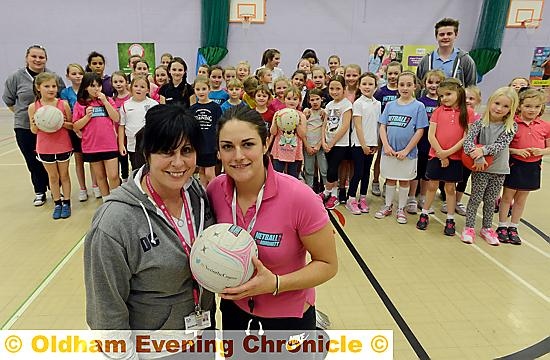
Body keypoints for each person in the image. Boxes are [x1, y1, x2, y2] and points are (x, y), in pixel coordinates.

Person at [84, 104, 216, 358]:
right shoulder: (114, 222)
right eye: (166, 151)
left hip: (202, 336)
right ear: (146, 153)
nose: (178, 163)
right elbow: (105, 309)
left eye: (187, 150)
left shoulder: (198, 196)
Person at [207, 105, 337, 332]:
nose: (238, 156)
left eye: (248, 144)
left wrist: (276, 284)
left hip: (288, 320)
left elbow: (327, 265)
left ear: (266, 143)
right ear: (218, 152)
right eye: (227, 147)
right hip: (234, 313)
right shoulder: (215, 190)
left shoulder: (299, 197)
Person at [3, 44, 66, 206]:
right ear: (27, 58)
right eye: (34, 56)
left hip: (52, 130)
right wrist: (26, 115)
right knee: (32, 160)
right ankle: (39, 191)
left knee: (52, 161)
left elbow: (61, 98)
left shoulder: (53, 77)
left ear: (46, 59)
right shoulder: (16, 77)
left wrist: (52, 119)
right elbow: (9, 100)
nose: (38, 60)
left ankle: (56, 191)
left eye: (41, 57)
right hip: (25, 127)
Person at [461, 87, 519, 245]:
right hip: (481, 169)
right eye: (497, 103)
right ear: (490, 102)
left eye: (505, 106)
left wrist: (481, 151)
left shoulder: (511, 126)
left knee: (491, 199)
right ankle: (469, 227)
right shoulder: (480, 122)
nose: (499, 108)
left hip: (499, 170)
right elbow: (467, 142)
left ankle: (487, 227)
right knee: (475, 198)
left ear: (511, 109)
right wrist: (477, 157)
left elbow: (499, 145)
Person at [416, 78, 473, 235]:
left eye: (448, 94)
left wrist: (448, 153)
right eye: (441, 96)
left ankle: (450, 218)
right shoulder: (438, 111)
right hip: (436, 156)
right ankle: (424, 213)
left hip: (455, 158)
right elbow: (431, 135)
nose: (444, 98)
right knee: (432, 186)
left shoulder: (467, 112)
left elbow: (465, 137)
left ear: (459, 93)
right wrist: (440, 153)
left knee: (449, 188)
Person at [375, 71, 429, 224]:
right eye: (402, 84)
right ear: (397, 86)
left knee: (404, 181)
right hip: (389, 152)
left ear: (415, 87)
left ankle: (401, 209)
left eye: (409, 85)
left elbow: (420, 130)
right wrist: (385, 145)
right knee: (390, 179)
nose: (405, 88)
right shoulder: (391, 105)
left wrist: (406, 150)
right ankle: (387, 205)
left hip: (408, 154)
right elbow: (382, 126)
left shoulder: (419, 106)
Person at [497, 88, 550, 245]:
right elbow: (503, 146)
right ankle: (502, 226)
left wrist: (541, 151)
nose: (532, 110)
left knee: (521, 199)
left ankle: (514, 226)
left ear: (542, 107)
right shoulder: (512, 123)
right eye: (528, 106)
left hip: (533, 166)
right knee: (507, 197)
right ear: (519, 106)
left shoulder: (544, 126)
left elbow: (549, 148)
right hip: (514, 164)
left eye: (536, 107)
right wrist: (517, 151)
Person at [28, 72, 73, 219]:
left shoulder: (63, 104)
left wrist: (59, 123)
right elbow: (34, 130)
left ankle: (66, 203)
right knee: (53, 177)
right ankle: (57, 203)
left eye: (53, 86)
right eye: (47, 86)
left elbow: (71, 125)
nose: (51, 89)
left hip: (63, 145)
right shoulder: (34, 107)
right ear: (38, 87)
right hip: (45, 147)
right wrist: (39, 123)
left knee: (64, 175)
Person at [73, 72, 120, 198]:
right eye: (92, 86)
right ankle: (106, 200)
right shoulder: (80, 104)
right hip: (92, 146)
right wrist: (87, 117)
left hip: (109, 144)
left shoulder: (108, 100)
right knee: (100, 177)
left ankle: (116, 201)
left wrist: (105, 101)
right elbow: (76, 126)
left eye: (98, 86)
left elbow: (116, 118)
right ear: (85, 88)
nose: (96, 89)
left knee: (114, 175)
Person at [409, 69, 446, 214]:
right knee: (416, 172)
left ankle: (423, 197)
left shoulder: (443, 103)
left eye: (438, 83)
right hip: (420, 143)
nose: (434, 85)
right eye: (430, 82)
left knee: (427, 174)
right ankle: (412, 197)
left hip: (435, 145)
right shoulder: (419, 103)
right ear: (424, 84)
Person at [346, 72, 381, 214]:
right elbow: (358, 126)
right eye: (364, 84)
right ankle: (351, 199)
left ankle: (363, 198)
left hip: (372, 144)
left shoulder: (377, 104)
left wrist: (376, 143)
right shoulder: (358, 103)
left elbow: (378, 125)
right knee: (359, 172)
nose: (367, 87)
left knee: (367, 173)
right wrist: (364, 145)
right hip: (359, 144)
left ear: (375, 86)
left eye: (370, 84)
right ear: (359, 86)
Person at [319, 75, 353, 210]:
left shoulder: (347, 105)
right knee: (329, 170)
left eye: (338, 88)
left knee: (333, 169)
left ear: (344, 89)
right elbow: (324, 124)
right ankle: (332, 194)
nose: (334, 91)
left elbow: (344, 127)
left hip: (340, 144)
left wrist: (332, 142)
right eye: (331, 88)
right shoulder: (329, 105)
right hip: (327, 143)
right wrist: (323, 140)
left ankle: (327, 192)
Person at [416, 18, 477, 88]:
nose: (445, 37)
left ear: (456, 35)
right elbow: (419, 86)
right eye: (442, 34)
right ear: (436, 36)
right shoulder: (426, 60)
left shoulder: (465, 60)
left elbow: (471, 88)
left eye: (449, 34)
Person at [61, 63, 90, 202]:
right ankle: (83, 188)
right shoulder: (65, 93)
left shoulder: (88, 90)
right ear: (68, 76)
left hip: (89, 129)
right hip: (75, 129)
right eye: (74, 73)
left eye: (80, 73)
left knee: (91, 160)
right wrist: (75, 128)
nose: (77, 76)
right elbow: (67, 113)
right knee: (79, 161)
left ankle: (95, 185)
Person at [372, 61, 402, 197]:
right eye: (390, 73)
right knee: (380, 156)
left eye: (396, 73)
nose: (393, 76)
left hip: (397, 129)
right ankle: (376, 181)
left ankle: (388, 183)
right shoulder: (380, 92)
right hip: (382, 129)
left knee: (394, 157)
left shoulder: (402, 91)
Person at [118, 75, 159, 170]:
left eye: (142, 87)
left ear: (148, 90)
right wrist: (121, 144)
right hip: (132, 146)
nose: (138, 89)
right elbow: (121, 126)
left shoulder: (154, 104)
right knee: (137, 170)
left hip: (150, 145)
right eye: (136, 86)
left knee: (152, 170)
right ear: (130, 88)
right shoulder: (125, 105)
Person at [189, 76, 222, 187]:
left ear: (209, 89)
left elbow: (219, 127)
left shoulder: (215, 107)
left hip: (210, 146)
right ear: (194, 91)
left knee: (210, 173)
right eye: (198, 89)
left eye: (204, 89)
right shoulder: (193, 109)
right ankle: (204, 193)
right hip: (198, 146)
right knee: (201, 172)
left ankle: (215, 193)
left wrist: (218, 147)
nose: (201, 92)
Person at [270, 87, 306, 178]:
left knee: (293, 176)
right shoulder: (279, 113)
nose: (292, 101)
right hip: (279, 150)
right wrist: (275, 121)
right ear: (284, 99)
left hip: (294, 151)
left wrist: (296, 121)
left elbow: (302, 135)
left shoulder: (301, 115)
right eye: (289, 98)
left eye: (295, 99)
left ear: (299, 100)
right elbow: (273, 132)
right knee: (277, 175)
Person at [303, 88, 328, 190]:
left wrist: (319, 144)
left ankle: (327, 190)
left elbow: (325, 129)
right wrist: (307, 145)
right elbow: (303, 128)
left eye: (317, 99)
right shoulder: (307, 113)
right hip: (308, 145)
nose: (315, 102)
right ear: (309, 101)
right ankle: (310, 188)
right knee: (309, 169)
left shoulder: (324, 112)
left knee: (324, 169)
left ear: (321, 99)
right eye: (312, 100)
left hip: (320, 145)